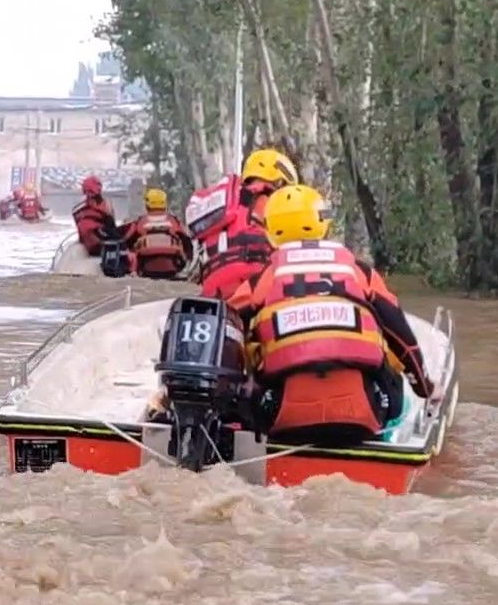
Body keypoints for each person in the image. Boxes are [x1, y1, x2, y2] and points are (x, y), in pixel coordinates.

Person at [226, 184, 431, 447]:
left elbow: (225, 327)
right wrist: (425, 389)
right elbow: (401, 336)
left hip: (284, 419)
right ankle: (386, 441)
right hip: (363, 414)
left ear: (270, 230)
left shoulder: (261, 281)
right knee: (392, 375)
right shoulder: (360, 272)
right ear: (321, 223)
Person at [187, 147, 298, 301]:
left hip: (213, 289)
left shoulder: (225, 204)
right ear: (279, 180)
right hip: (249, 283)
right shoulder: (269, 203)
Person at [124, 188, 191, 279]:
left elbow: (128, 241)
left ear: (147, 204)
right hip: (173, 267)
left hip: (146, 268)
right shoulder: (173, 220)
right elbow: (186, 240)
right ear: (164, 203)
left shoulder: (140, 221)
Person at [71, 175, 118, 256]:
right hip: (100, 244)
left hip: (98, 243)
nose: (89, 195)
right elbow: (112, 228)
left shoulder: (78, 209)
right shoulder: (105, 205)